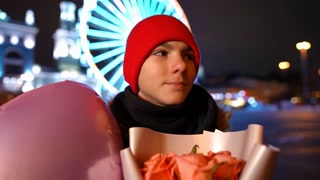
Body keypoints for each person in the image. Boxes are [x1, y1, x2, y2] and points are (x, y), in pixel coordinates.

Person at [109, 14, 231, 148]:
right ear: (133, 66)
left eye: (188, 56)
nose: (182, 65)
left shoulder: (219, 133)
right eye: (161, 53)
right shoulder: (102, 133)